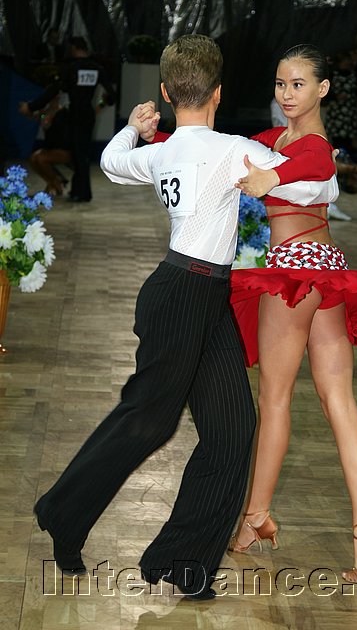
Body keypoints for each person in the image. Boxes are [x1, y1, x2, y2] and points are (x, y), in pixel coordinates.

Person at [33, 34, 330, 601]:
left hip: (198, 294)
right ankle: (62, 513)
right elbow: (323, 180)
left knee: (233, 431)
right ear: (218, 93)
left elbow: (112, 162)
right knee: (148, 420)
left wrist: (132, 127)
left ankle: (183, 563)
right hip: (182, 296)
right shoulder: (231, 149)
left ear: (167, 94)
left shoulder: (162, 152)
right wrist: (278, 176)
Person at [228, 44, 357, 583]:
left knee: (275, 400)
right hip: (326, 269)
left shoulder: (312, 145)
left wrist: (273, 180)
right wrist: (158, 138)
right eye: (281, 84)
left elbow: (316, 163)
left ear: (323, 88)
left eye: (299, 84)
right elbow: (219, 148)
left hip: (294, 273)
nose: (287, 94)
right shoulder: (274, 140)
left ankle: (255, 518)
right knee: (339, 401)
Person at [19, 36, 116, 202]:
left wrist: (32, 106)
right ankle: (81, 192)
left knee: (77, 154)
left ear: (73, 48)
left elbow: (54, 90)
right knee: (82, 154)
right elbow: (111, 96)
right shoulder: (97, 68)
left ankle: (78, 192)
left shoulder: (71, 68)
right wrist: (98, 107)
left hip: (75, 113)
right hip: (87, 114)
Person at [22, 93, 72, 195]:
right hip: (50, 147)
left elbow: (60, 133)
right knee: (33, 158)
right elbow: (35, 116)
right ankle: (52, 182)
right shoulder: (45, 113)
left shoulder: (64, 112)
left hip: (64, 148)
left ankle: (56, 182)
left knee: (41, 158)